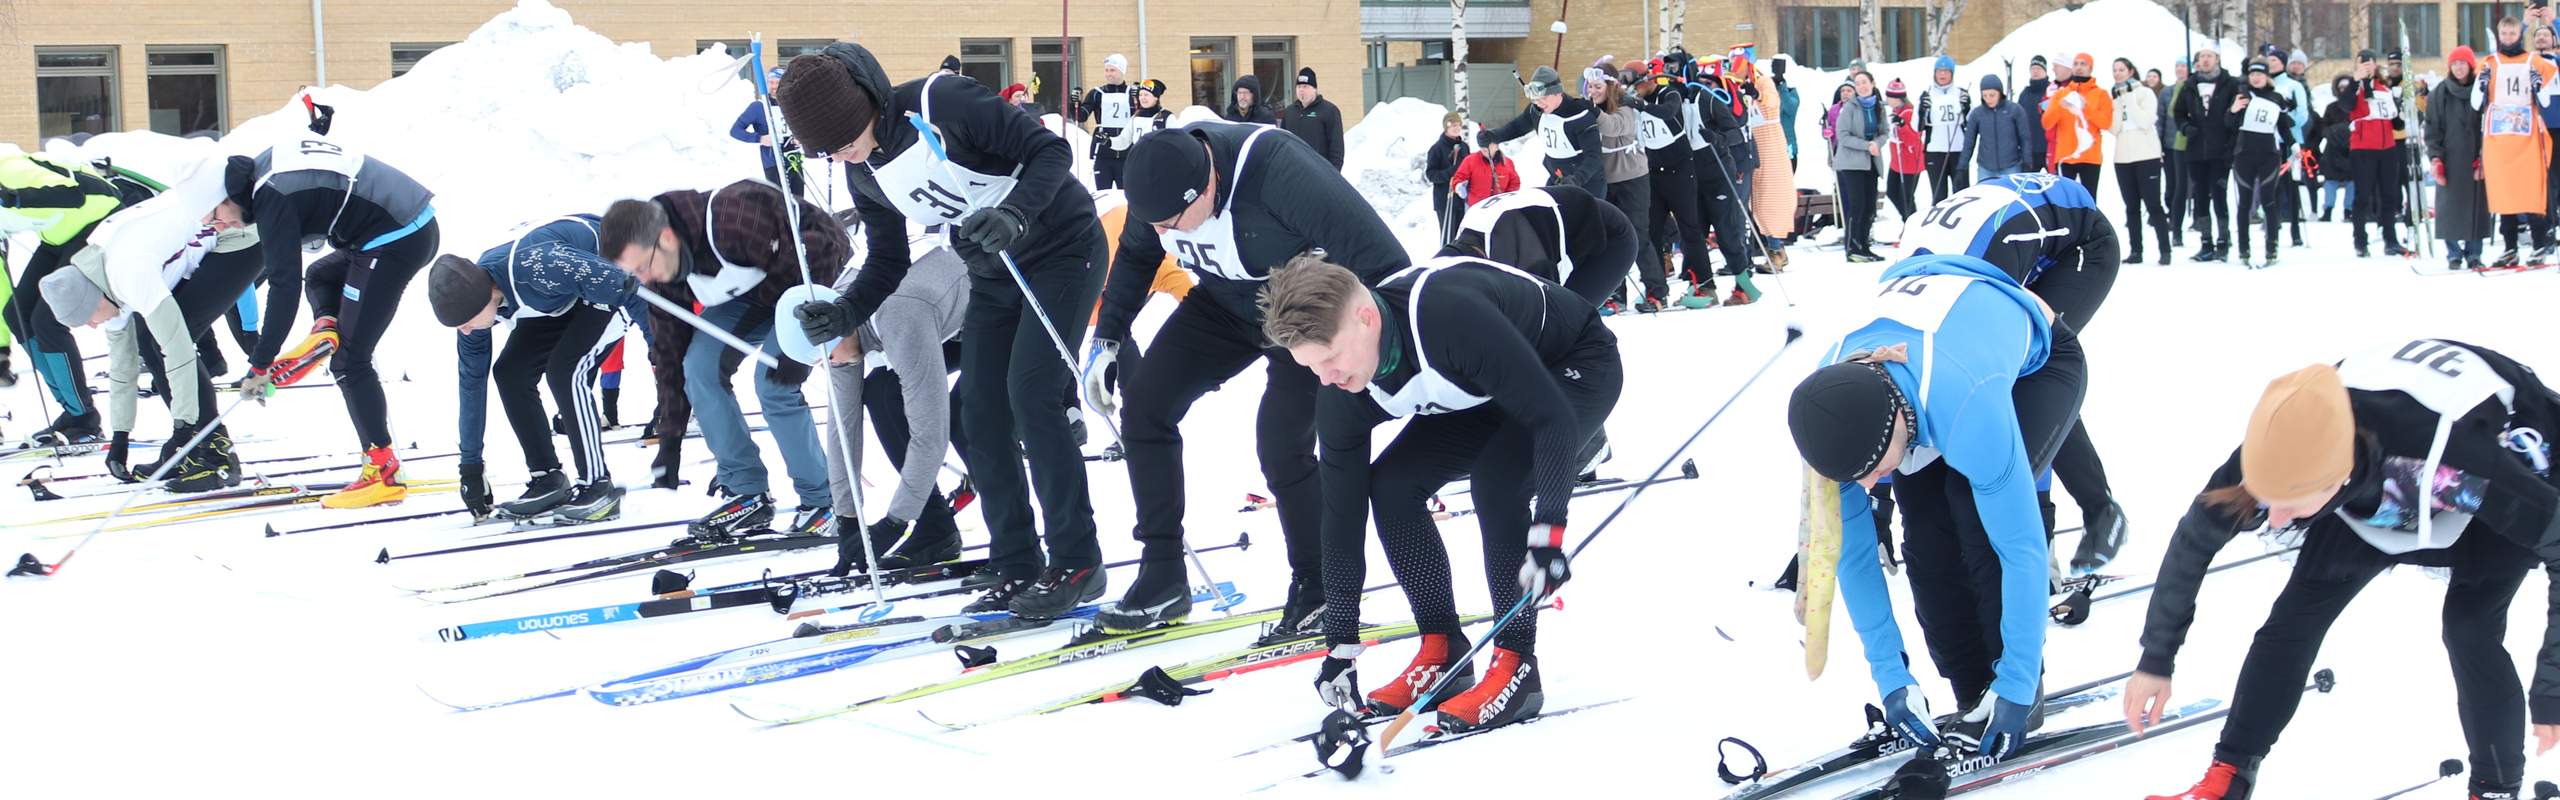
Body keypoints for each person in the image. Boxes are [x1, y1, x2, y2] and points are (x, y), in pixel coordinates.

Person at [2131, 344, 2560, 800]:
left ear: (2337, 477)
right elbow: (2194, 539)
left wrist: (2553, 688)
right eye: (2268, 499)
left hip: (2497, 461)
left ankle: (2494, 790)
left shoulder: (2460, 467)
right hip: (2376, 470)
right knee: (2294, 618)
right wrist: (2156, 657)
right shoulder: (2281, 444)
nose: (2275, 520)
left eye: (2291, 503)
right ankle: (2228, 777)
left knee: (2470, 627)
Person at [775, 42, 1108, 620]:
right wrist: (848, 312)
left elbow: (1049, 152)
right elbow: (885, 260)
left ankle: (1078, 559)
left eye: (843, 139)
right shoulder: (868, 170)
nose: (843, 156)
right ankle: (1016, 558)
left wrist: (1014, 214)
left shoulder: (941, 100)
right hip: (992, 269)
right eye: (828, 150)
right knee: (977, 410)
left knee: (1031, 398)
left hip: (1062, 248)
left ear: (864, 104)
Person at [1081, 120, 1412, 637]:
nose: (1166, 233)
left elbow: (1385, 261)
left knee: (1281, 446)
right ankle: (1163, 575)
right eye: (1158, 224)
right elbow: (1137, 255)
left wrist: (1382, 350)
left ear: (1209, 184)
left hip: (1299, 308)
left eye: (1174, 221)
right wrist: (1108, 338)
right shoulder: (1162, 180)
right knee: (1145, 404)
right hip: (1222, 303)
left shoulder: (1279, 171)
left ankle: (1320, 587)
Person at [1282, 250, 1620, 734]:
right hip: (1484, 383)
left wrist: (1548, 533)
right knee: (1392, 485)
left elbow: (1551, 418)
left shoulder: (1447, 317)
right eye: (1311, 367)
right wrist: (1341, 642)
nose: (1327, 378)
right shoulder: (1342, 394)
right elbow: (1341, 513)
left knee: (1498, 481)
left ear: (1365, 318)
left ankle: (1517, 667)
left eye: (1330, 358)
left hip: (1570, 365)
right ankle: (1443, 650)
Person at [1786, 251, 2083, 766]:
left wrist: (2015, 680)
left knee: (1975, 514)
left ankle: (2018, 686)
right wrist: (1892, 679)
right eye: (1855, 477)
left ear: (1898, 422)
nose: (1868, 485)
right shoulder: (1829, 414)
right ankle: (1971, 684)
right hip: (1925, 362)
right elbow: (1853, 557)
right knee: (1924, 539)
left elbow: (2022, 549)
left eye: (1874, 468)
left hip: (2034, 363)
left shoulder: (1965, 403)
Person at [1904, 171, 2128, 569]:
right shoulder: (1905, 285)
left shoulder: (1978, 280)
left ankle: (2101, 511)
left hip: (2083, 244)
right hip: (2013, 231)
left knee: (2029, 374)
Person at [601, 180, 842, 540]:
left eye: (643, 266)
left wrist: (804, 333)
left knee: (774, 384)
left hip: (811, 279)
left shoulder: (732, 217)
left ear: (666, 238)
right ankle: (747, 491)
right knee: (698, 368)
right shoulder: (664, 279)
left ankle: (826, 502)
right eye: (634, 273)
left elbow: (821, 249)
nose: (644, 279)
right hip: (756, 293)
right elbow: (669, 359)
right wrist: (670, 442)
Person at [212, 136, 438, 509]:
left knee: (351, 362)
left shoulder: (270, 198)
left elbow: (283, 285)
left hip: (397, 237)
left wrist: (261, 362)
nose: (220, 227)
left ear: (224, 198)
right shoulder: (261, 173)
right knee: (320, 275)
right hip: (392, 228)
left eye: (215, 217)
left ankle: (383, 473)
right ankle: (326, 330)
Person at [36, 163, 256, 492]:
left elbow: (178, 349)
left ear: (92, 301)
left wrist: (183, 429)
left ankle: (214, 457)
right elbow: (122, 367)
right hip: (203, 237)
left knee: (161, 339)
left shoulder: (127, 272)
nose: (94, 327)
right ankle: (198, 447)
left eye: (88, 320)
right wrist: (120, 438)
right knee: (148, 338)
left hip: (240, 237)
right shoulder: (101, 279)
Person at [429, 214, 643, 525]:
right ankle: (548, 479)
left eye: (465, 323)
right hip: (561, 296)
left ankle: (598, 487)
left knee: (566, 372)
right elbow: (472, 383)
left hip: (611, 276)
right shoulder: (473, 296)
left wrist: (663, 350)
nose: (465, 331)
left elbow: (626, 287)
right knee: (510, 373)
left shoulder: (535, 266)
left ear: (483, 299)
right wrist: (470, 466)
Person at [816, 236, 973, 577]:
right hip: (941, 318)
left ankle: (1018, 542)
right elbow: (842, 429)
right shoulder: (834, 324)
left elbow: (931, 433)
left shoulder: (898, 315)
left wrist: (893, 522)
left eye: (825, 357)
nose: (827, 364)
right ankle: (936, 529)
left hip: (1001, 308)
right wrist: (847, 521)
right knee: (883, 394)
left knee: (967, 418)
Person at [0, 153, 130, 444]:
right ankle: (72, 411)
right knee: (17, 316)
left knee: (47, 321)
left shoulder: (10, 169)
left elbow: (70, 194)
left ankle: (84, 418)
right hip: (58, 237)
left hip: (98, 221)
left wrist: (11, 198)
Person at [1455, 185, 1638, 306]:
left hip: (1611, 235)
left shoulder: (1519, 255)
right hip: (1555, 221)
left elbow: (1545, 309)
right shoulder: (1465, 235)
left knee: (1567, 320)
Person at [1632, 68, 1708, 309]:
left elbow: (1668, 112)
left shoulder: (1668, 93)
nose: (1634, 92)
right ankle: (1656, 289)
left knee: (1689, 228)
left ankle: (1705, 284)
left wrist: (1639, 105)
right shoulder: (1637, 103)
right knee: (1651, 231)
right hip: (1653, 171)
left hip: (1680, 170)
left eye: (1636, 86)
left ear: (1646, 81)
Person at [2483, 16, 2556, 267]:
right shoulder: (2490, 63)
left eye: (2513, 34)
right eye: (2504, 34)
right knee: (2505, 192)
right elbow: (2475, 103)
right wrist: (2482, 86)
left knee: (2531, 190)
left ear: (2519, 34)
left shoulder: (2534, 61)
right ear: (2499, 34)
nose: (2508, 38)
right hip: (2500, 138)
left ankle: (2538, 244)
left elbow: (2545, 103)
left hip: (2527, 138)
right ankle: (2510, 247)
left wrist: (2539, 87)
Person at [1482, 66, 1605, 199]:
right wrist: (1493, 136)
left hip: (1587, 183)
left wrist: (1577, 179)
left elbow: (1594, 157)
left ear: (1558, 93)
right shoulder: (1536, 111)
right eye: (1535, 99)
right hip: (1557, 179)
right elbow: (1517, 127)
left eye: (1543, 98)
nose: (1539, 103)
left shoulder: (1579, 114)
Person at [2172, 47, 2244, 262]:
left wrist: (2230, 148)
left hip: (2219, 150)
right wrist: (2185, 127)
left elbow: (2235, 118)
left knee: (2219, 195)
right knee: (2200, 196)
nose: (2205, 60)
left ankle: (2223, 242)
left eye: (2209, 56)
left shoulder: (2229, 84)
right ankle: (2206, 242)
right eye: (2201, 57)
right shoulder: (2190, 85)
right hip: (2195, 150)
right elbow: (2177, 112)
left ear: (2217, 59)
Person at [1588, 67, 1650, 310]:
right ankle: (1615, 294)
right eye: (1590, 87)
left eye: (1598, 87)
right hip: (1606, 180)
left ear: (1611, 87)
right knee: (1610, 241)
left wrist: (1591, 112)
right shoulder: (1593, 109)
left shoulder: (1625, 108)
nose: (1592, 92)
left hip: (1632, 177)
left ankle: (1656, 289)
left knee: (1638, 236)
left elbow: (1613, 127)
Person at [2341, 51, 2410, 258]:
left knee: (2389, 195)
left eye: (2369, 62)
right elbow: (2346, 105)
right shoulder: (2356, 87)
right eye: (2361, 63)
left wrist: (2403, 108)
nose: (2366, 66)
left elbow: (2396, 120)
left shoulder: (2384, 87)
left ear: (2375, 64)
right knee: (2363, 195)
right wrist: (2356, 80)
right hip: (2363, 148)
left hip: (2387, 146)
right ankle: (2360, 241)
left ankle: (2391, 239)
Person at [2431, 46, 2493, 271]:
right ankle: (2453, 253)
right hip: (2449, 156)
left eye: (2462, 63)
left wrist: (2486, 154)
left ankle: (2474, 253)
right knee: (2449, 208)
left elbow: (2488, 122)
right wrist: (2435, 156)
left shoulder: (2482, 90)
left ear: (2471, 66)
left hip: (2475, 156)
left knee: (2476, 207)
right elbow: (2432, 126)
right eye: (2454, 63)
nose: (2458, 68)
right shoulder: (2440, 93)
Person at [2231, 63, 2297, 268]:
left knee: (2269, 202)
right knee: (2245, 202)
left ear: (2267, 77)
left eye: (2260, 74)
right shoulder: (2241, 95)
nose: (2256, 78)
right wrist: (2233, 110)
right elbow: (2228, 124)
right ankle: (2244, 247)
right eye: (2253, 74)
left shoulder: (2275, 98)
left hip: (2269, 154)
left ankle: (2271, 246)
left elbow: (2284, 126)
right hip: (2244, 154)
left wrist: (2294, 145)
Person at [2113, 57, 2171, 265]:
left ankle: (2165, 249)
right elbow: (2114, 128)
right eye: (2115, 70)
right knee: (2131, 207)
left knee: (2153, 204)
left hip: (2146, 156)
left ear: (2131, 71)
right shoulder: (2115, 97)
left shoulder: (2145, 93)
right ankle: (2136, 250)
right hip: (2122, 158)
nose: (2117, 73)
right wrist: (2119, 104)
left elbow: (2145, 121)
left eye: (2121, 70)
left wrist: (2128, 100)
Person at [2041, 53, 2114, 197]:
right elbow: (2046, 123)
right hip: (2065, 158)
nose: (2079, 68)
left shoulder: (2101, 94)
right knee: (2065, 202)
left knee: (2089, 201)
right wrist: (2059, 107)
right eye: (2076, 64)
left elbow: (2105, 124)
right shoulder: (2061, 94)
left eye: (2083, 64)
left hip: (2090, 158)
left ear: (2091, 68)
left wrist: (2085, 107)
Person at [1831, 73, 1886, 263]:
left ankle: (1864, 245)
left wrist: (1877, 143)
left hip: (1871, 162)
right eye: (1858, 84)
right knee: (1857, 205)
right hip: (1851, 162)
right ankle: (1853, 246)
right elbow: (1843, 136)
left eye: (1865, 82)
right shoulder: (1849, 108)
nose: (1862, 86)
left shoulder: (1879, 106)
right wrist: (1867, 146)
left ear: (1872, 83)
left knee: (1870, 206)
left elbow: (1884, 132)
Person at [732, 67, 805, 197]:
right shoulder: (758, 107)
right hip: (773, 162)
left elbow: (803, 127)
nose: (774, 87)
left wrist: (799, 138)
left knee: (799, 202)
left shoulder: (793, 104)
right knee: (779, 203)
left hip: (793, 159)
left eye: (778, 82)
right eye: (771, 82)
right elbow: (735, 130)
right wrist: (760, 138)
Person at [2266, 51, 2314, 247]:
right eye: (2268, 60)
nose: (2270, 64)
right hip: (2268, 140)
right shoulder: (2263, 85)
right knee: (2271, 185)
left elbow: (2303, 113)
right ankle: (2273, 226)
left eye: (2274, 61)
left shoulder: (2293, 86)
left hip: (2289, 140)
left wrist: (2288, 120)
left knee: (2291, 185)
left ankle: (2295, 227)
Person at [1918, 56, 1973, 205]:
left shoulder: (1961, 93)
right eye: (1939, 71)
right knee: (1938, 196)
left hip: (1958, 150)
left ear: (1952, 74)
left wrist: (1967, 108)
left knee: (1962, 194)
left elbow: (1971, 123)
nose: (1942, 75)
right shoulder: (1927, 94)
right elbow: (1917, 126)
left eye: (1946, 71)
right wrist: (1922, 110)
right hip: (1935, 151)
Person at [1964, 74, 2036, 184]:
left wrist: (2027, 162)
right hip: (1986, 169)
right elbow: (1969, 142)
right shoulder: (1977, 114)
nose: (1988, 99)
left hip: (2011, 167)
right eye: (1985, 95)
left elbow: (2024, 137)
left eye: (1992, 95)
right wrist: (1961, 167)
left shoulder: (2014, 110)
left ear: (2000, 93)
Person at [1080, 54, 1137, 190]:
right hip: (1103, 152)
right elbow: (1081, 117)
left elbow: (1143, 114)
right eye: (1106, 70)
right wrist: (1074, 103)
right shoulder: (1097, 93)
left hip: (1126, 153)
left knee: (1126, 195)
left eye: (1112, 70)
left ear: (1122, 71)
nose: (1108, 74)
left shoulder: (1132, 93)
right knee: (1103, 194)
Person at [1279, 67, 1347, 169]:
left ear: (1314, 88)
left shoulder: (1329, 110)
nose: (1301, 90)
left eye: (1305, 86)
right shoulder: (1290, 112)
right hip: (1293, 170)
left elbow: (1336, 146)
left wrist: (1334, 173)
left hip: (1318, 171)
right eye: (1299, 87)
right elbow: (1282, 142)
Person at [1426, 112, 1474, 243]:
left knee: (1464, 237)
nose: (1457, 128)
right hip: (1445, 199)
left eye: (1459, 125)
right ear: (1446, 126)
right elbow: (1430, 174)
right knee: (1448, 237)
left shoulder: (1464, 147)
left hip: (1462, 199)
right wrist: (1449, 173)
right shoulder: (1437, 148)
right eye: (1454, 125)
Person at [2163, 59, 2195, 249]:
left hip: (2207, 143)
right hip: (2182, 143)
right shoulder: (2181, 87)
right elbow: (2173, 110)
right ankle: (2177, 230)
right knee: (2180, 187)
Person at [1883, 79, 1924, 225]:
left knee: (1907, 197)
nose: (1887, 99)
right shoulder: (1895, 111)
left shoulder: (1909, 113)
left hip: (1909, 163)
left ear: (1896, 97)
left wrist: (1901, 125)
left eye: (1889, 96)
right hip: (1896, 162)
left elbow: (1915, 139)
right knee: (1892, 192)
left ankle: (1913, 225)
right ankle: (1907, 222)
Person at [2319, 75, 2359, 225]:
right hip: (2332, 150)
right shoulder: (2332, 108)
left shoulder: (2357, 107)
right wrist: (2330, 134)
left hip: (2351, 148)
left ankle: (2348, 210)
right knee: (2330, 181)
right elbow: (2323, 125)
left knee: (2352, 181)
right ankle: (2327, 209)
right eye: (2341, 88)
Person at [1450, 139, 1521, 206]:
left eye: (1489, 144)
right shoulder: (1470, 160)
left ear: (1496, 147)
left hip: (1499, 207)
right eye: (1483, 144)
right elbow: (1458, 178)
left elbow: (1514, 183)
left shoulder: (1507, 163)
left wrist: (1507, 198)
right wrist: (1459, 187)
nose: (1485, 147)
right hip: (1475, 207)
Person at [2021, 56, 2054, 171]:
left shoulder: (2052, 92)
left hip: (2049, 148)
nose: (2035, 71)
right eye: (2033, 68)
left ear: (2045, 71)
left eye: (2039, 68)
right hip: (2030, 151)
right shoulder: (2025, 94)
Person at [1774, 56, 1803, 172]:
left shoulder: (1793, 96)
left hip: (1788, 148)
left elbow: (1789, 107)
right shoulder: (1770, 96)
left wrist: (1782, 86)